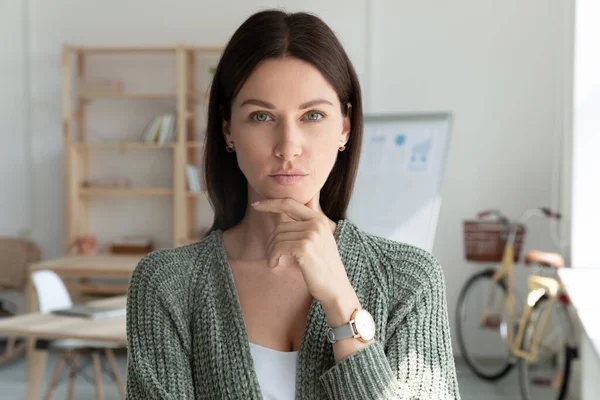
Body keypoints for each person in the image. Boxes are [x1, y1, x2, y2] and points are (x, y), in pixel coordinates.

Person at [125, 9, 460, 400]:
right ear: (227, 128)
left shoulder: (411, 280)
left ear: (345, 128)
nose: (288, 147)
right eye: (262, 116)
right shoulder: (166, 285)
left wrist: (340, 301)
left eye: (313, 115)